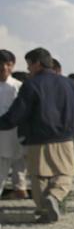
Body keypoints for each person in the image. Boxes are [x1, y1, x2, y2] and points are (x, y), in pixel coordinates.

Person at [0, 47, 74, 222]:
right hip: (65, 138)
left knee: (39, 177)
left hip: (38, 139)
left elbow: (17, 114)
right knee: (66, 173)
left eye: (29, 65)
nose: (28, 69)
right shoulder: (70, 84)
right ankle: (55, 195)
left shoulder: (31, 84)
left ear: (37, 64)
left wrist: (5, 123)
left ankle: (44, 210)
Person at [0, 49, 27, 201]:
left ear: (13, 65)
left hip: (16, 136)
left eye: (8, 64)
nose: (4, 68)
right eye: (1, 64)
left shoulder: (19, 86)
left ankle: (20, 193)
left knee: (19, 168)